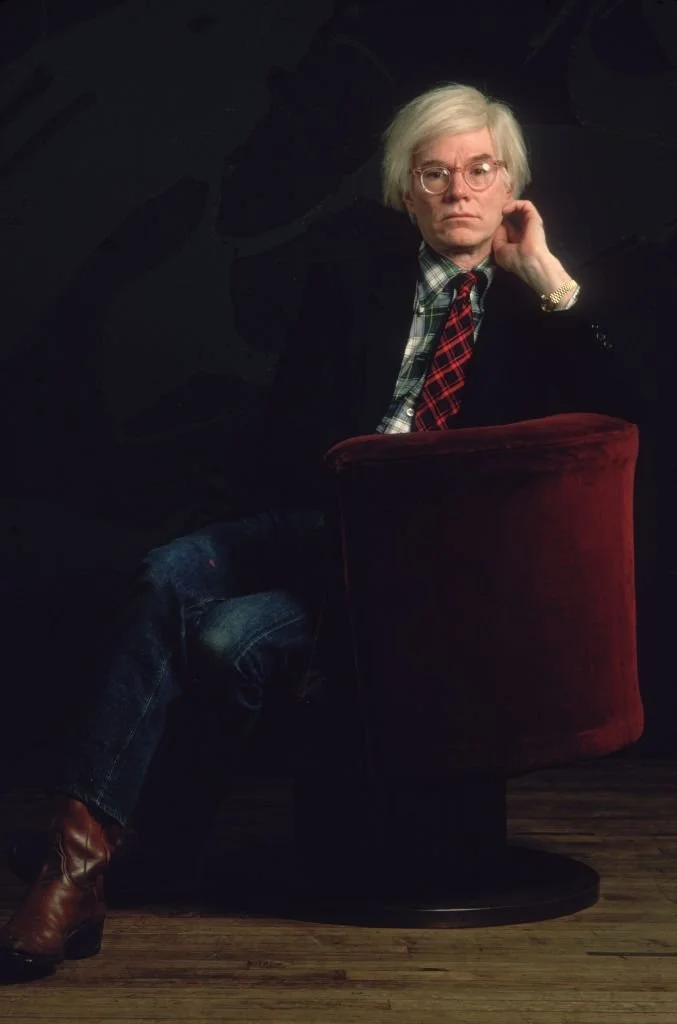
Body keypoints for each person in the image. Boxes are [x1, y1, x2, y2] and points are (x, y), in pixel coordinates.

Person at [0, 83, 643, 982]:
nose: (459, 191)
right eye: (435, 173)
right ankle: (79, 865)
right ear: (405, 192)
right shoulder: (351, 280)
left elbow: (627, 424)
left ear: (510, 190)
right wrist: (356, 485)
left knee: (227, 636)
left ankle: (121, 858)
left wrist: (550, 280)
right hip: (324, 524)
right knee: (168, 568)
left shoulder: (538, 314)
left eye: (480, 171)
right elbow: (283, 435)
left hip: (436, 573)